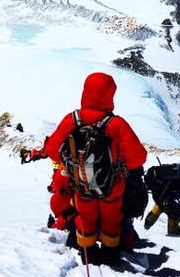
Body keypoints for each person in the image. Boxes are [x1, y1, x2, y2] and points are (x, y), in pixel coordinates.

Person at [46, 72, 147, 265]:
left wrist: (70, 162)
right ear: (110, 95)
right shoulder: (116, 124)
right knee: (111, 218)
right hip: (112, 187)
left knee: (85, 216)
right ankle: (110, 253)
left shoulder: (72, 120)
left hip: (82, 184)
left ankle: (88, 252)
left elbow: (52, 149)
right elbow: (138, 158)